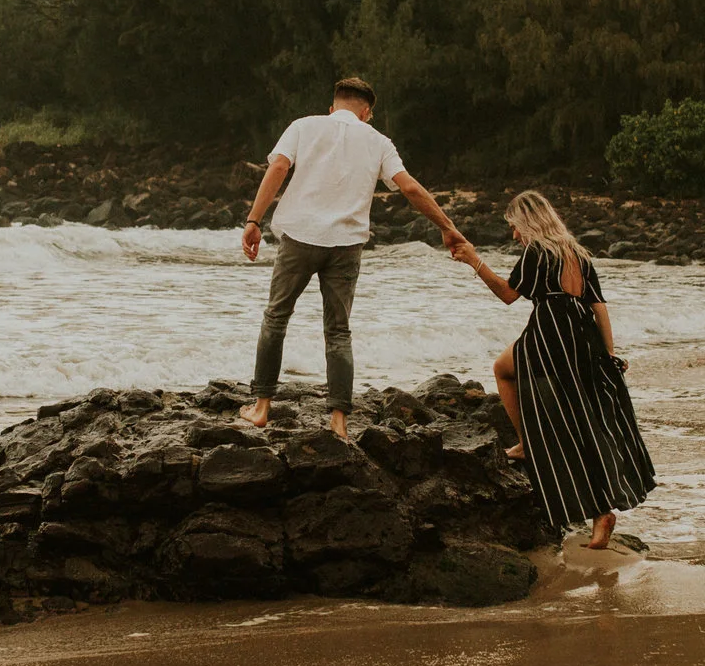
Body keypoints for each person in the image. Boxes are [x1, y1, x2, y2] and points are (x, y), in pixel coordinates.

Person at [239, 78, 464, 439]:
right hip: (346, 245)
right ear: (367, 113)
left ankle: (262, 407)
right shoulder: (378, 141)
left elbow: (279, 168)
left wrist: (253, 220)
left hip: (300, 237)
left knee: (276, 317)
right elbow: (408, 187)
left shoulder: (303, 126)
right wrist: (447, 226)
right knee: (339, 331)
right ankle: (339, 420)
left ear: (333, 107)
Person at [449, 190, 656, 549]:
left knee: (508, 375)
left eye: (515, 227)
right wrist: (608, 354)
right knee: (583, 422)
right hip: (583, 336)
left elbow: (508, 294)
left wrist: (474, 261)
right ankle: (599, 512)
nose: (514, 235)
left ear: (528, 222)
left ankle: (531, 445)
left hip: (550, 333)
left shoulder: (537, 253)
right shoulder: (578, 254)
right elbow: (600, 308)